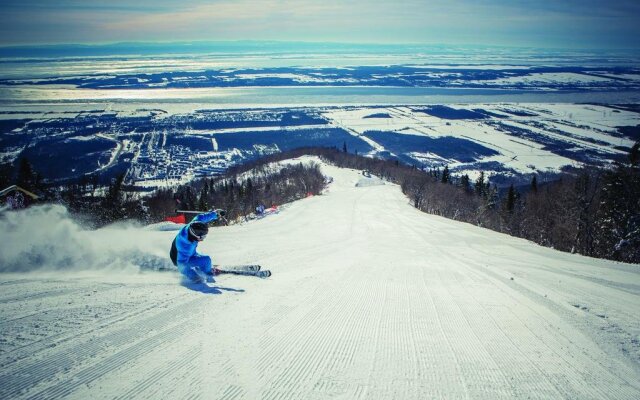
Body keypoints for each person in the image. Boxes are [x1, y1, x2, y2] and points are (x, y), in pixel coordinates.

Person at [169, 209, 225, 283]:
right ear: (196, 235)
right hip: (178, 259)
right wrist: (194, 276)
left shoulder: (194, 224)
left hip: (189, 253)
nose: (203, 239)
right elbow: (181, 265)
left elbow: (202, 217)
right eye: (203, 237)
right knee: (206, 260)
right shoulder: (185, 245)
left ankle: (205, 270)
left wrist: (216, 214)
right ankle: (207, 273)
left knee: (206, 261)